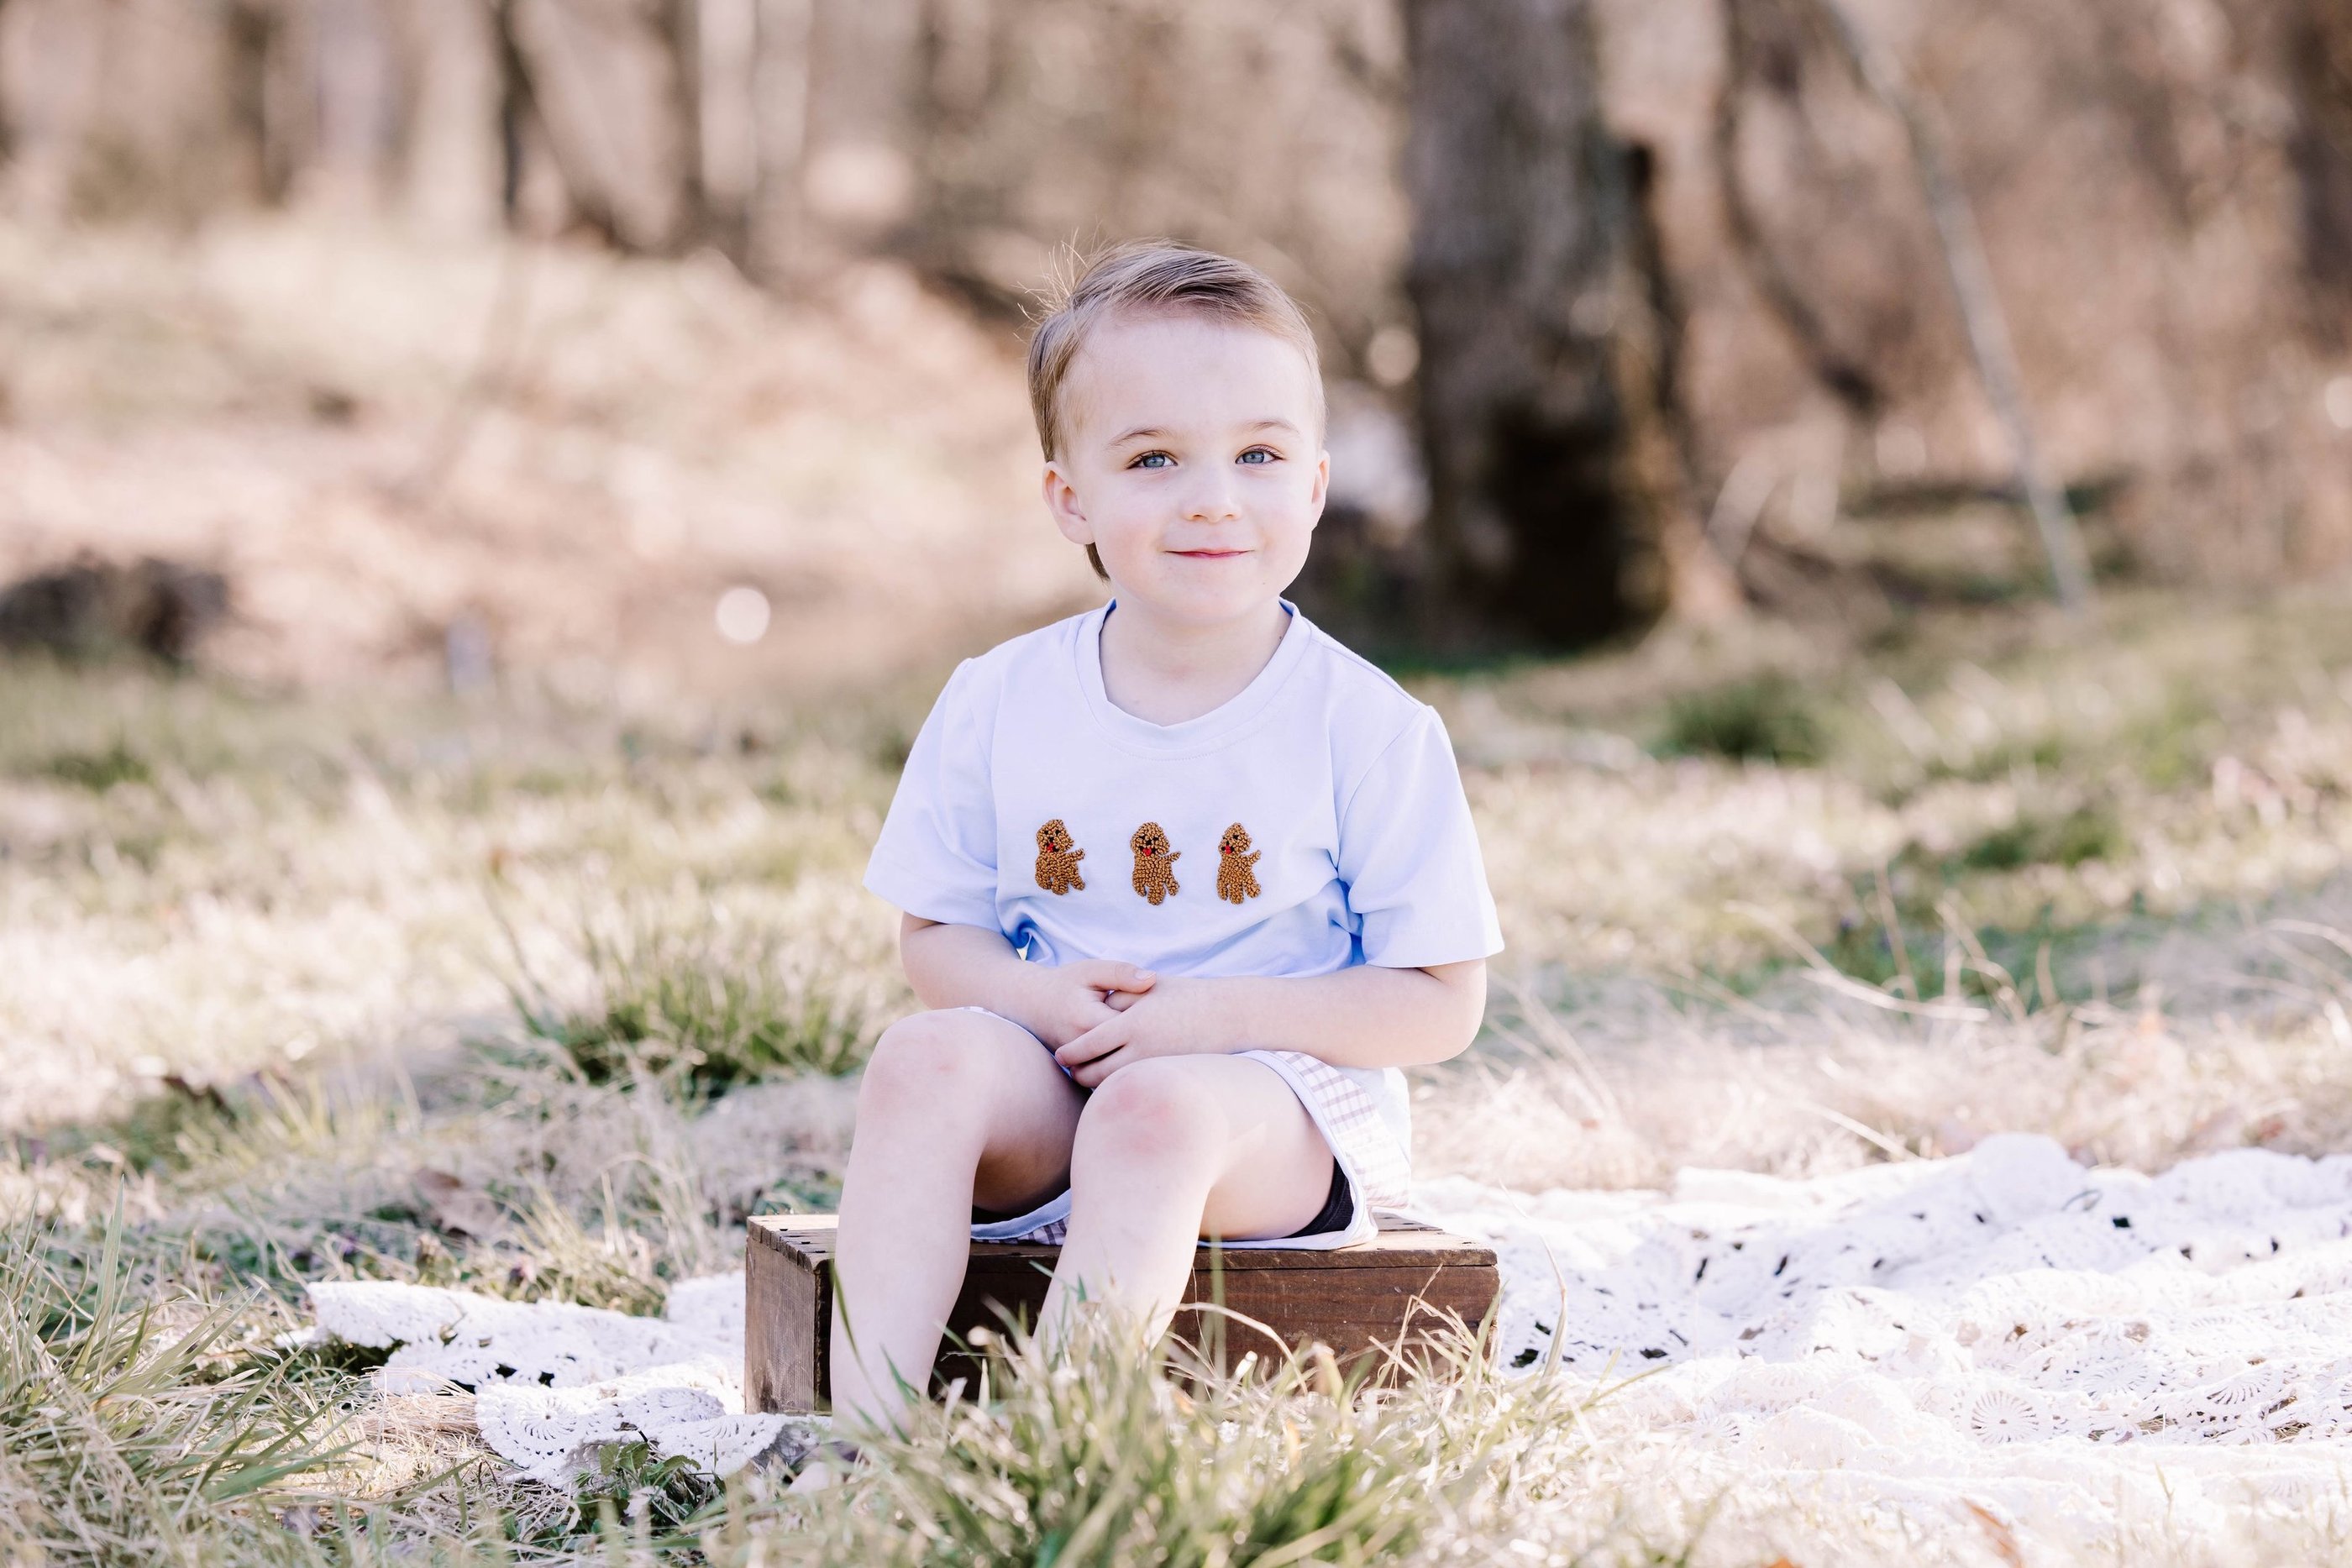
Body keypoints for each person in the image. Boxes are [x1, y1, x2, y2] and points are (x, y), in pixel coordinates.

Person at [826, 239, 1504, 1445]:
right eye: (1153, 459)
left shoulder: (1367, 727)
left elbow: (1441, 1004)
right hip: (1057, 1076)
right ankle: (861, 1445)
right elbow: (937, 939)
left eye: (1258, 455)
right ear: (1069, 498)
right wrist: (1039, 999)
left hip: (1270, 1114)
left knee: (1154, 1112)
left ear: (1315, 485)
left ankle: (1056, 1449)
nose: (1212, 498)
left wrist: (1208, 1018)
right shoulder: (998, 699)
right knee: (922, 1060)